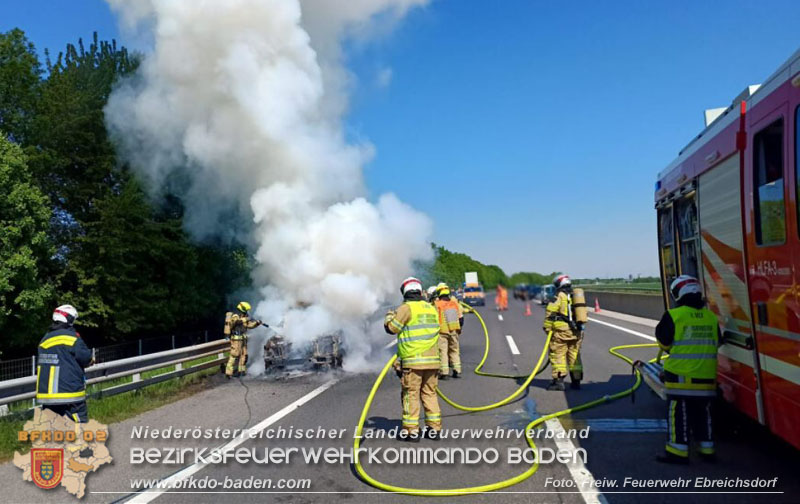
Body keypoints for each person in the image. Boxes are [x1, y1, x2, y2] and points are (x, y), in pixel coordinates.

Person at [655, 275, 720, 464]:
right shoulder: (711, 317)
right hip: (707, 376)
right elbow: (718, 341)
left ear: (678, 293)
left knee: (678, 414)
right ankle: (707, 449)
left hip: (680, 377)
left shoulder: (675, 315)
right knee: (703, 413)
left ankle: (678, 452)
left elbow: (664, 343)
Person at [384, 277, 442, 439]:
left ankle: (411, 431)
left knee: (411, 394)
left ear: (405, 292)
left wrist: (389, 316)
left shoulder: (406, 308)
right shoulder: (430, 308)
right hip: (432, 361)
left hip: (413, 361)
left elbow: (392, 329)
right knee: (429, 393)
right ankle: (434, 429)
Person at [36, 305, 93, 423]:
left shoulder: (44, 340)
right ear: (70, 319)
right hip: (70, 394)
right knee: (79, 424)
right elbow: (86, 359)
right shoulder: (71, 338)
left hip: (47, 396)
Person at [543, 274, 584, 391]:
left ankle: (558, 382)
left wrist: (547, 328)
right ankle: (576, 382)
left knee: (558, 355)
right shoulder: (575, 295)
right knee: (574, 356)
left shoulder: (558, 296)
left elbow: (550, 313)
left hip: (561, 333)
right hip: (576, 332)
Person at [224, 301, 264, 378]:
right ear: (242, 309)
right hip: (236, 340)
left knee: (244, 355)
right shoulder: (235, 316)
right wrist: (247, 319)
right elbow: (237, 322)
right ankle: (228, 373)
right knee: (234, 355)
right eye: (246, 310)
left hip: (243, 339)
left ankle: (241, 371)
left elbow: (249, 326)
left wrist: (257, 323)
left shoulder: (243, 317)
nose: (247, 312)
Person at [434, 283, 463, 379]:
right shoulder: (454, 303)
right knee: (454, 350)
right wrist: (459, 329)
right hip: (454, 331)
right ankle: (457, 370)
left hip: (442, 332)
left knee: (443, 352)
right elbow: (460, 318)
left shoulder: (437, 304)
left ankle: (444, 372)